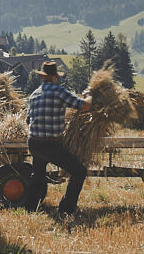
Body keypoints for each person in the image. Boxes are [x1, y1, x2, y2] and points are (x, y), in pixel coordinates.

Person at [23, 60, 92, 216]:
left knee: (38, 175)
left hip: (33, 142)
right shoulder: (58, 91)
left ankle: (30, 208)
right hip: (49, 144)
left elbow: (28, 120)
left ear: (43, 77)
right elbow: (84, 106)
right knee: (79, 171)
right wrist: (89, 96)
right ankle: (66, 210)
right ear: (54, 77)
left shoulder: (34, 94)